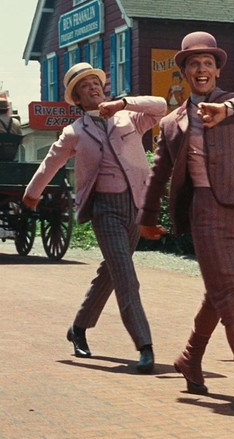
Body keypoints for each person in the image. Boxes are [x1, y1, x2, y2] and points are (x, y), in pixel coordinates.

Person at [137, 31, 234, 410]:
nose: (201, 69)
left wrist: (228, 109)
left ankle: (190, 357)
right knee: (233, 293)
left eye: (207, 63)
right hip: (204, 211)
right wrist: (147, 217)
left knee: (219, 294)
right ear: (184, 72)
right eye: (193, 64)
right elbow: (159, 173)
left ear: (217, 70)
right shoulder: (172, 123)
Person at [23, 62, 165, 373]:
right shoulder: (74, 131)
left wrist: (124, 103)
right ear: (77, 97)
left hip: (136, 205)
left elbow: (161, 106)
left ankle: (78, 328)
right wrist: (32, 194)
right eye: (85, 85)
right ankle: (145, 345)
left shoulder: (129, 116)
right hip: (105, 208)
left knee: (111, 273)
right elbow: (51, 162)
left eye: (96, 82)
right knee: (125, 274)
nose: (93, 87)